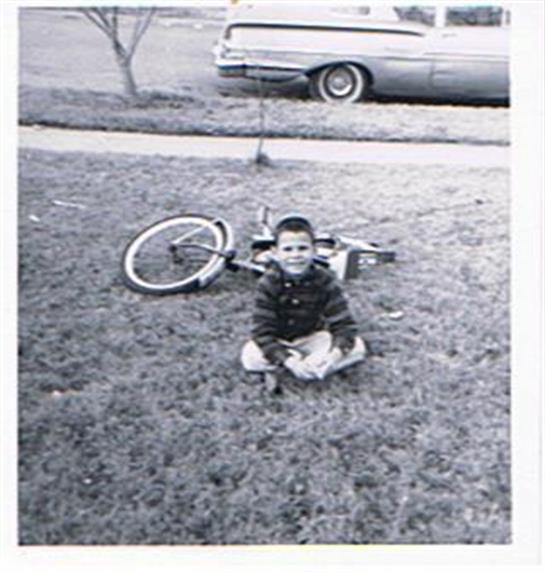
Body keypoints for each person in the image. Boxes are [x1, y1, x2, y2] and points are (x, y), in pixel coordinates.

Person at [241, 213, 367, 393]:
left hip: (313, 337)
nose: (296, 255)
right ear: (275, 252)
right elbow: (262, 332)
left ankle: (309, 366)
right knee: (250, 357)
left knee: (357, 347)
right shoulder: (268, 283)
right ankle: (297, 365)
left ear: (314, 250)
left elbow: (344, 325)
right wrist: (288, 359)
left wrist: (334, 356)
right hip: (280, 340)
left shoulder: (325, 280)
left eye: (302, 248)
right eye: (288, 249)